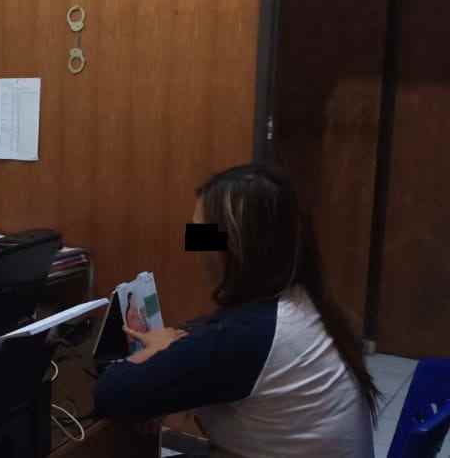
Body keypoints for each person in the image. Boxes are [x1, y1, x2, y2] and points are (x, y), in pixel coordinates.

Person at [93, 164, 378, 457]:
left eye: (202, 236)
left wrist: (155, 352)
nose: (196, 250)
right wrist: (180, 346)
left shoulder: (249, 335)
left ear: (240, 246)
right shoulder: (303, 303)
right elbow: (216, 334)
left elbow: (111, 394)